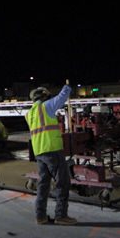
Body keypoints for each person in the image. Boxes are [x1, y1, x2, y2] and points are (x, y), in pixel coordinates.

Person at [25, 85, 77, 225]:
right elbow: (61, 97)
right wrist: (67, 88)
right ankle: (61, 216)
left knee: (43, 184)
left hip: (39, 152)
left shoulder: (29, 114)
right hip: (52, 150)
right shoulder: (46, 106)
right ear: (44, 96)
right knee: (63, 182)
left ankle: (40, 216)